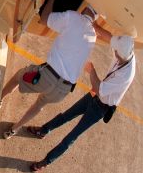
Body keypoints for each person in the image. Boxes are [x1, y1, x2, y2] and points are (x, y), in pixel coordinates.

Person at [0, 0, 97, 138]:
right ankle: (14, 129)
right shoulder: (93, 35)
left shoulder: (73, 17)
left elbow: (44, 19)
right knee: (39, 105)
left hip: (48, 77)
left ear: (84, 10)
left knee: (20, 75)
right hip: (63, 91)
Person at [27, 34, 136, 171]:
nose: (114, 53)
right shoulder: (124, 51)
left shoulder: (125, 75)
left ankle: (46, 161)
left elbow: (100, 89)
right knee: (66, 115)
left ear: (123, 55)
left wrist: (91, 71)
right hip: (95, 95)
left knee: (72, 136)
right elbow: (110, 38)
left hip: (101, 107)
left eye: (116, 53)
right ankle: (43, 130)